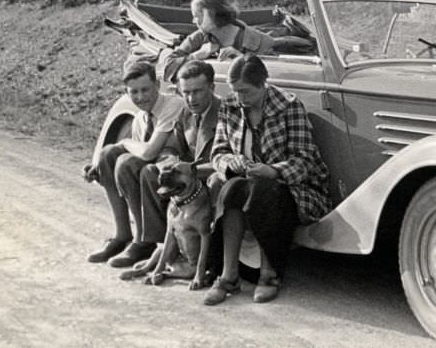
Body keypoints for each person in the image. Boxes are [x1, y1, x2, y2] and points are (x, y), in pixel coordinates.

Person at [203, 54, 331, 305]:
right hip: (247, 183)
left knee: (263, 191)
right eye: (235, 91)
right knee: (231, 190)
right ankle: (228, 276)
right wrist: (231, 162)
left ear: (263, 84)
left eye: (246, 92)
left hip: (294, 188)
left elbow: (306, 160)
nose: (240, 99)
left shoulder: (288, 106)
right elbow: (218, 152)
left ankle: (269, 274)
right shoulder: (230, 106)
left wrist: (274, 171)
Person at [83, 61, 184, 267]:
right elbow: (143, 155)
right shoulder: (140, 118)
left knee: (125, 161)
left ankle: (143, 240)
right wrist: (101, 167)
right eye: (133, 92)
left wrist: (123, 142)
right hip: (151, 171)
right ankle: (122, 235)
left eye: (145, 89)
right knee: (108, 154)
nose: (140, 97)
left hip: (176, 171)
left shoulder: (172, 104)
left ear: (157, 84)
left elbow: (149, 152)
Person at [134, 60, 222, 275]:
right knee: (150, 172)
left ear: (212, 88)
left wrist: (191, 172)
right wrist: (168, 161)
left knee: (216, 183)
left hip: (212, 176)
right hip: (187, 179)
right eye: (186, 93)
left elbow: (229, 157)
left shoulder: (225, 113)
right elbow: (173, 146)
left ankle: (215, 258)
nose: (191, 99)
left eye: (197, 92)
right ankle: (162, 244)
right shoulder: (186, 114)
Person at [162, 0, 276, 82]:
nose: (193, 21)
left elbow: (273, 77)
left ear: (210, 14)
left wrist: (243, 60)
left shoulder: (262, 42)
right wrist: (195, 56)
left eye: (197, 15)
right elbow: (167, 66)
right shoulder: (198, 38)